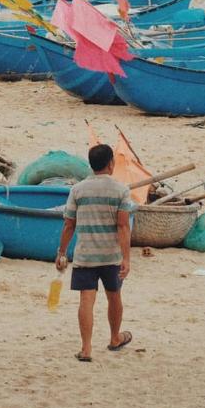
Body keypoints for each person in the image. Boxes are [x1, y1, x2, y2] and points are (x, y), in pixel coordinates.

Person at [55, 143, 134, 363]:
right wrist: (126, 258)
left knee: (86, 300)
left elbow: (69, 225)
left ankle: (86, 348)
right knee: (114, 296)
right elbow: (123, 227)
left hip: (85, 255)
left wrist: (61, 252)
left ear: (91, 165)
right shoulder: (121, 190)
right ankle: (115, 338)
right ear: (111, 164)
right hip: (111, 256)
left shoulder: (78, 190)